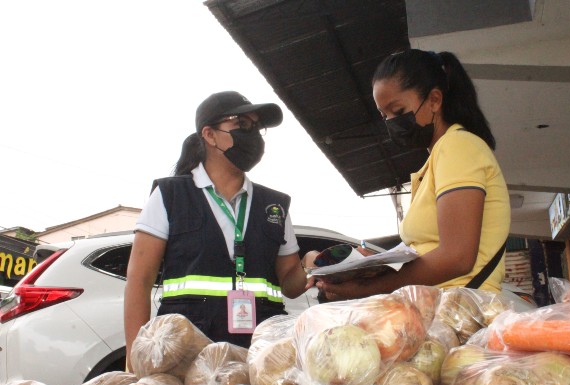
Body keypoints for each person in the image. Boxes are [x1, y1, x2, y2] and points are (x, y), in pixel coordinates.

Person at [124, 91, 315, 363]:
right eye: (242, 125)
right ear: (209, 135)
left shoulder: (273, 206)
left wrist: (311, 266)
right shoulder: (170, 195)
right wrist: (135, 359)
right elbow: (139, 281)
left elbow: (291, 286)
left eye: (257, 128)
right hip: (186, 352)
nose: (254, 137)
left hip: (259, 354)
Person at [313, 49, 510, 300]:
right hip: (441, 311)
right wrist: (372, 264)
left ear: (434, 100)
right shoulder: (437, 158)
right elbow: (427, 249)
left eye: (398, 110)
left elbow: (457, 258)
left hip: (461, 312)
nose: (391, 122)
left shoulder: (458, 146)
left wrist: (366, 288)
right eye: (385, 115)